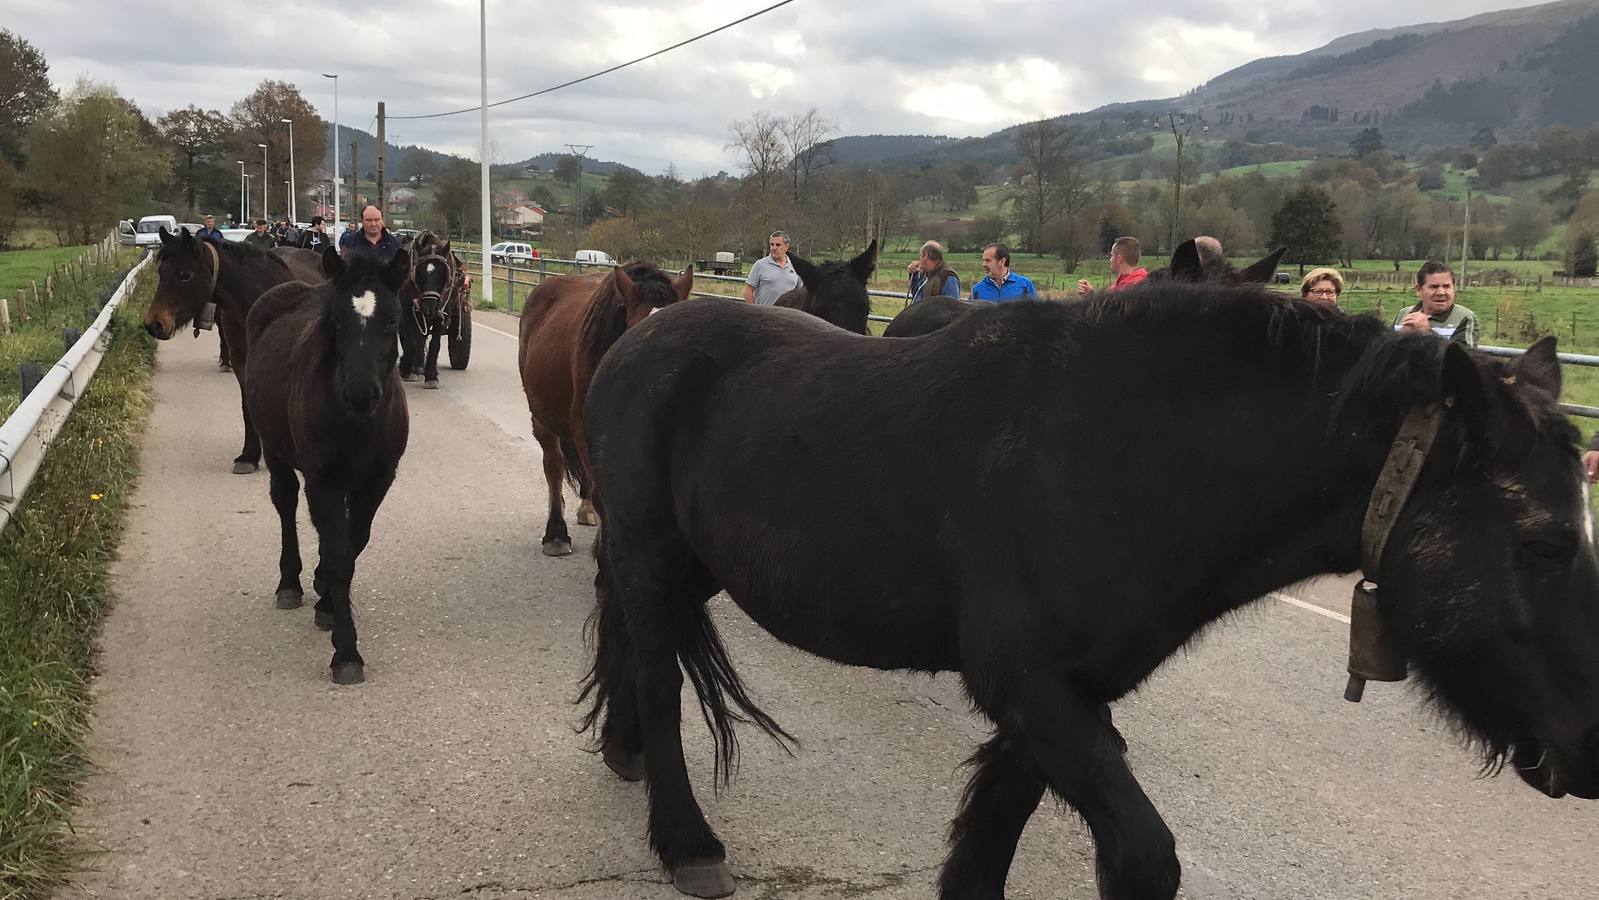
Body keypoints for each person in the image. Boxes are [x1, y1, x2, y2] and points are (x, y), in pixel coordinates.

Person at [1392, 261, 1477, 347]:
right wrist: (1402, 338)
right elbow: (1385, 353)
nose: (1441, 292)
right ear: (1418, 290)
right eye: (1434, 287)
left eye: (1447, 286)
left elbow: (1464, 358)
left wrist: (1427, 333)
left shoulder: (1463, 317)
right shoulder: (1403, 314)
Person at [1076, 237, 1149, 295]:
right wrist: (1091, 293)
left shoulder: (1135, 286)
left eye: (1112, 256)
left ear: (1119, 259)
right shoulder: (1122, 281)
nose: (1110, 260)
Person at [743, 230, 799, 306]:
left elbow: (800, 291)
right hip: (766, 314)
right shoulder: (760, 265)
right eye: (772, 245)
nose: (774, 248)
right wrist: (756, 311)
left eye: (778, 245)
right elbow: (748, 291)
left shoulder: (795, 266)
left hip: (788, 315)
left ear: (786, 246)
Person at [970, 244, 1037, 302]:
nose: (983, 264)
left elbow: (1035, 312)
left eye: (988, 260)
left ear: (1002, 261)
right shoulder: (977, 289)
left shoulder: (1024, 285)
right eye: (983, 260)